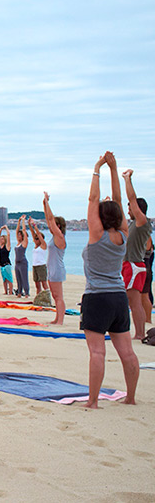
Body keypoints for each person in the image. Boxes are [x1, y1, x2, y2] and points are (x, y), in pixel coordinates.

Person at [80, 152, 138, 409]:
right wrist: (114, 171)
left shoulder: (96, 233)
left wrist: (97, 168)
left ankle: (93, 402)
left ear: (101, 218)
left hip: (97, 298)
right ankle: (131, 398)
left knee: (97, 352)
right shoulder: (124, 235)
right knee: (126, 352)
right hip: (118, 297)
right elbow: (117, 200)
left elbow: (94, 198)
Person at [121, 169, 152, 340]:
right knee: (134, 302)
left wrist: (127, 180)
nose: (129, 210)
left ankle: (139, 333)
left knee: (135, 302)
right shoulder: (133, 223)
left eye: (131, 208)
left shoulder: (142, 222)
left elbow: (132, 199)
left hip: (134, 265)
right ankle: (139, 332)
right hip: (131, 265)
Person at [43, 192, 67, 325]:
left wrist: (48, 203)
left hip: (57, 269)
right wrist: (44, 204)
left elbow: (51, 220)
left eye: (54, 225)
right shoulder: (54, 237)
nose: (50, 227)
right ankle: (57, 318)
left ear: (59, 226)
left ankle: (60, 320)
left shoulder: (60, 238)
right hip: (51, 269)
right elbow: (49, 220)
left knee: (58, 296)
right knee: (55, 295)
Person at [29, 220, 49, 295]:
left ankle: (47, 297)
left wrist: (34, 225)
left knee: (44, 283)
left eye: (38, 238)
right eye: (35, 238)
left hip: (41, 266)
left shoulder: (43, 245)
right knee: (37, 284)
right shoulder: (36, 246)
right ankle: (39, 298)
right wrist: (29, 225)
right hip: (35, 266)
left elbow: (38, 235)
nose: (36, 240)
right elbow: (33, 234)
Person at [14, 216, 30, 297]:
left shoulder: (24, 243)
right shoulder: (18, 243)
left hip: (23, 262)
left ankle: (26, 292)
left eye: (20, 235)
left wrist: (23, 221)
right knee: (18, 279)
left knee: (24, 278)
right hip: (17, 263)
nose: (19, 236)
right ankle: (19, 292)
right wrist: (18, 221)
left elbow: (23, 230)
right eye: (18, 235)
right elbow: (17, 231)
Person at [0, 225, 13, 295]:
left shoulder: (7, 246)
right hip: (1, 265)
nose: (1, 240)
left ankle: (10, 292)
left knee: (9, 279)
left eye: (3, 239)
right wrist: (0, 229)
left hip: (7, 264)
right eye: (1, 239)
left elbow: (8, 235)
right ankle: (6, 291)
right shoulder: (1, 245)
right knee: (4, 279)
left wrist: (6, 228)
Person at [144, 236, 153, 325]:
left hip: (144, 267)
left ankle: (148, 320)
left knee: (144, 296)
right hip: (145, 268)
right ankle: (147, 320)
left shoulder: (147, 237)